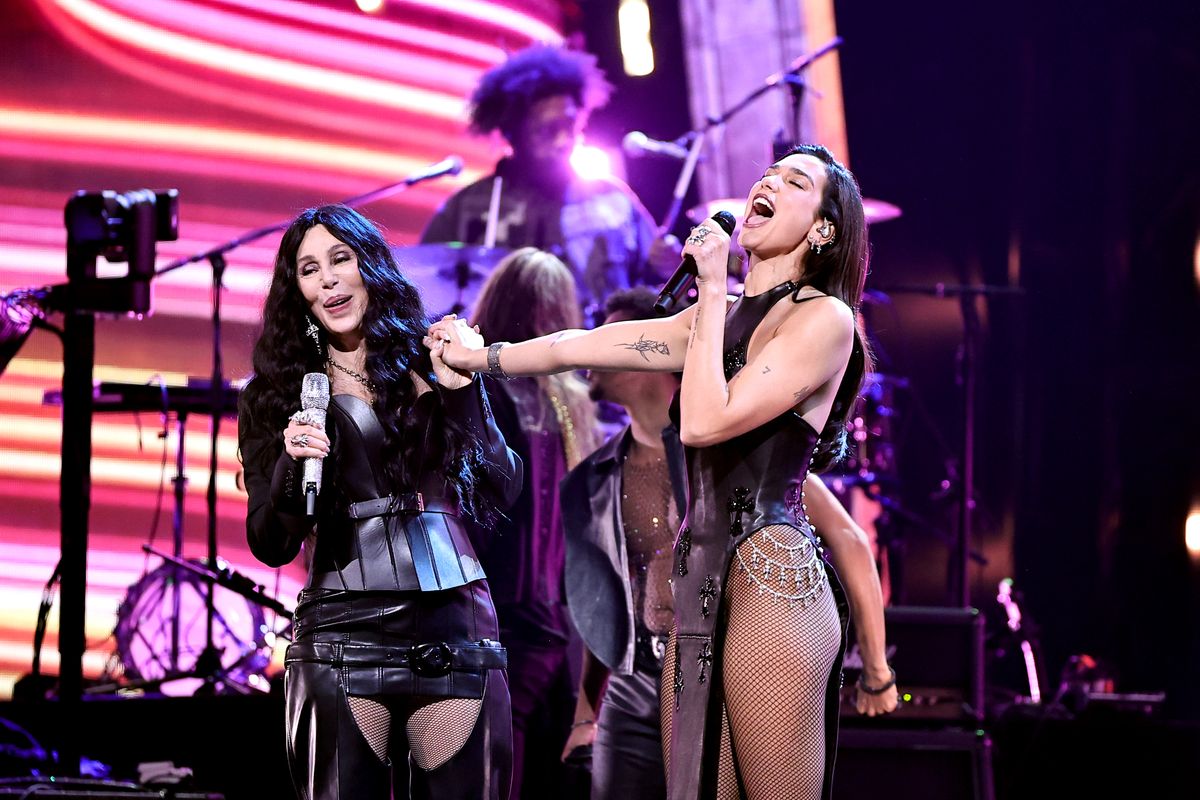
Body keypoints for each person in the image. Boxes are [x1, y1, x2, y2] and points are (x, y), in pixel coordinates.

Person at [428, 143, 899, 799]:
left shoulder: (825, 318)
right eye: (767, 172)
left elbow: (706, 422)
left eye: (795, 182)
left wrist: (710, 289)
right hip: (696, 581)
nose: (769, 180)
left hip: (772, 572)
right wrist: (484, 356)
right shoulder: (713, 318)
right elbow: (576, 345)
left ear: (823, 229)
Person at [557, 289, 897, 800]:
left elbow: (847, 536)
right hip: (633, 687)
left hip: (719, 663)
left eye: (615, 336)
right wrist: (586, 713)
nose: (600, 349)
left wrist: (876, 665)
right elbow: (601, 599)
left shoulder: (730, 449)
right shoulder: (590, 479)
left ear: (647, 355)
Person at [237, 204, 523, 800]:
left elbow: (503, 486)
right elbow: (270, 541)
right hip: (342, 631)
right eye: (311, 270)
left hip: (455, 622)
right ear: (299, 291)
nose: (330, 280)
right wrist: (293, 462)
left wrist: (466, 395)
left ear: (371, 265)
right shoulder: (274, 395)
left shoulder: (434, 357)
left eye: (341, 259)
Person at [468, 247, 601, 798]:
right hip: (548, 598)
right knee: (515, 725)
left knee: (501, 727)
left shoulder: (480, 386)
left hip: (492, 588)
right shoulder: (568, 396)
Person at [420, 43, 677, 322]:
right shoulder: (467, 207)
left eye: (570, 126)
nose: (563, 140)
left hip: (602, 358)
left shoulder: (612, 199)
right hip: (504, 360)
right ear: (512, 132)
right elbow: (427, 285)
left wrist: (668, 264)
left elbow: (656, 285)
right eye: (546, 130)